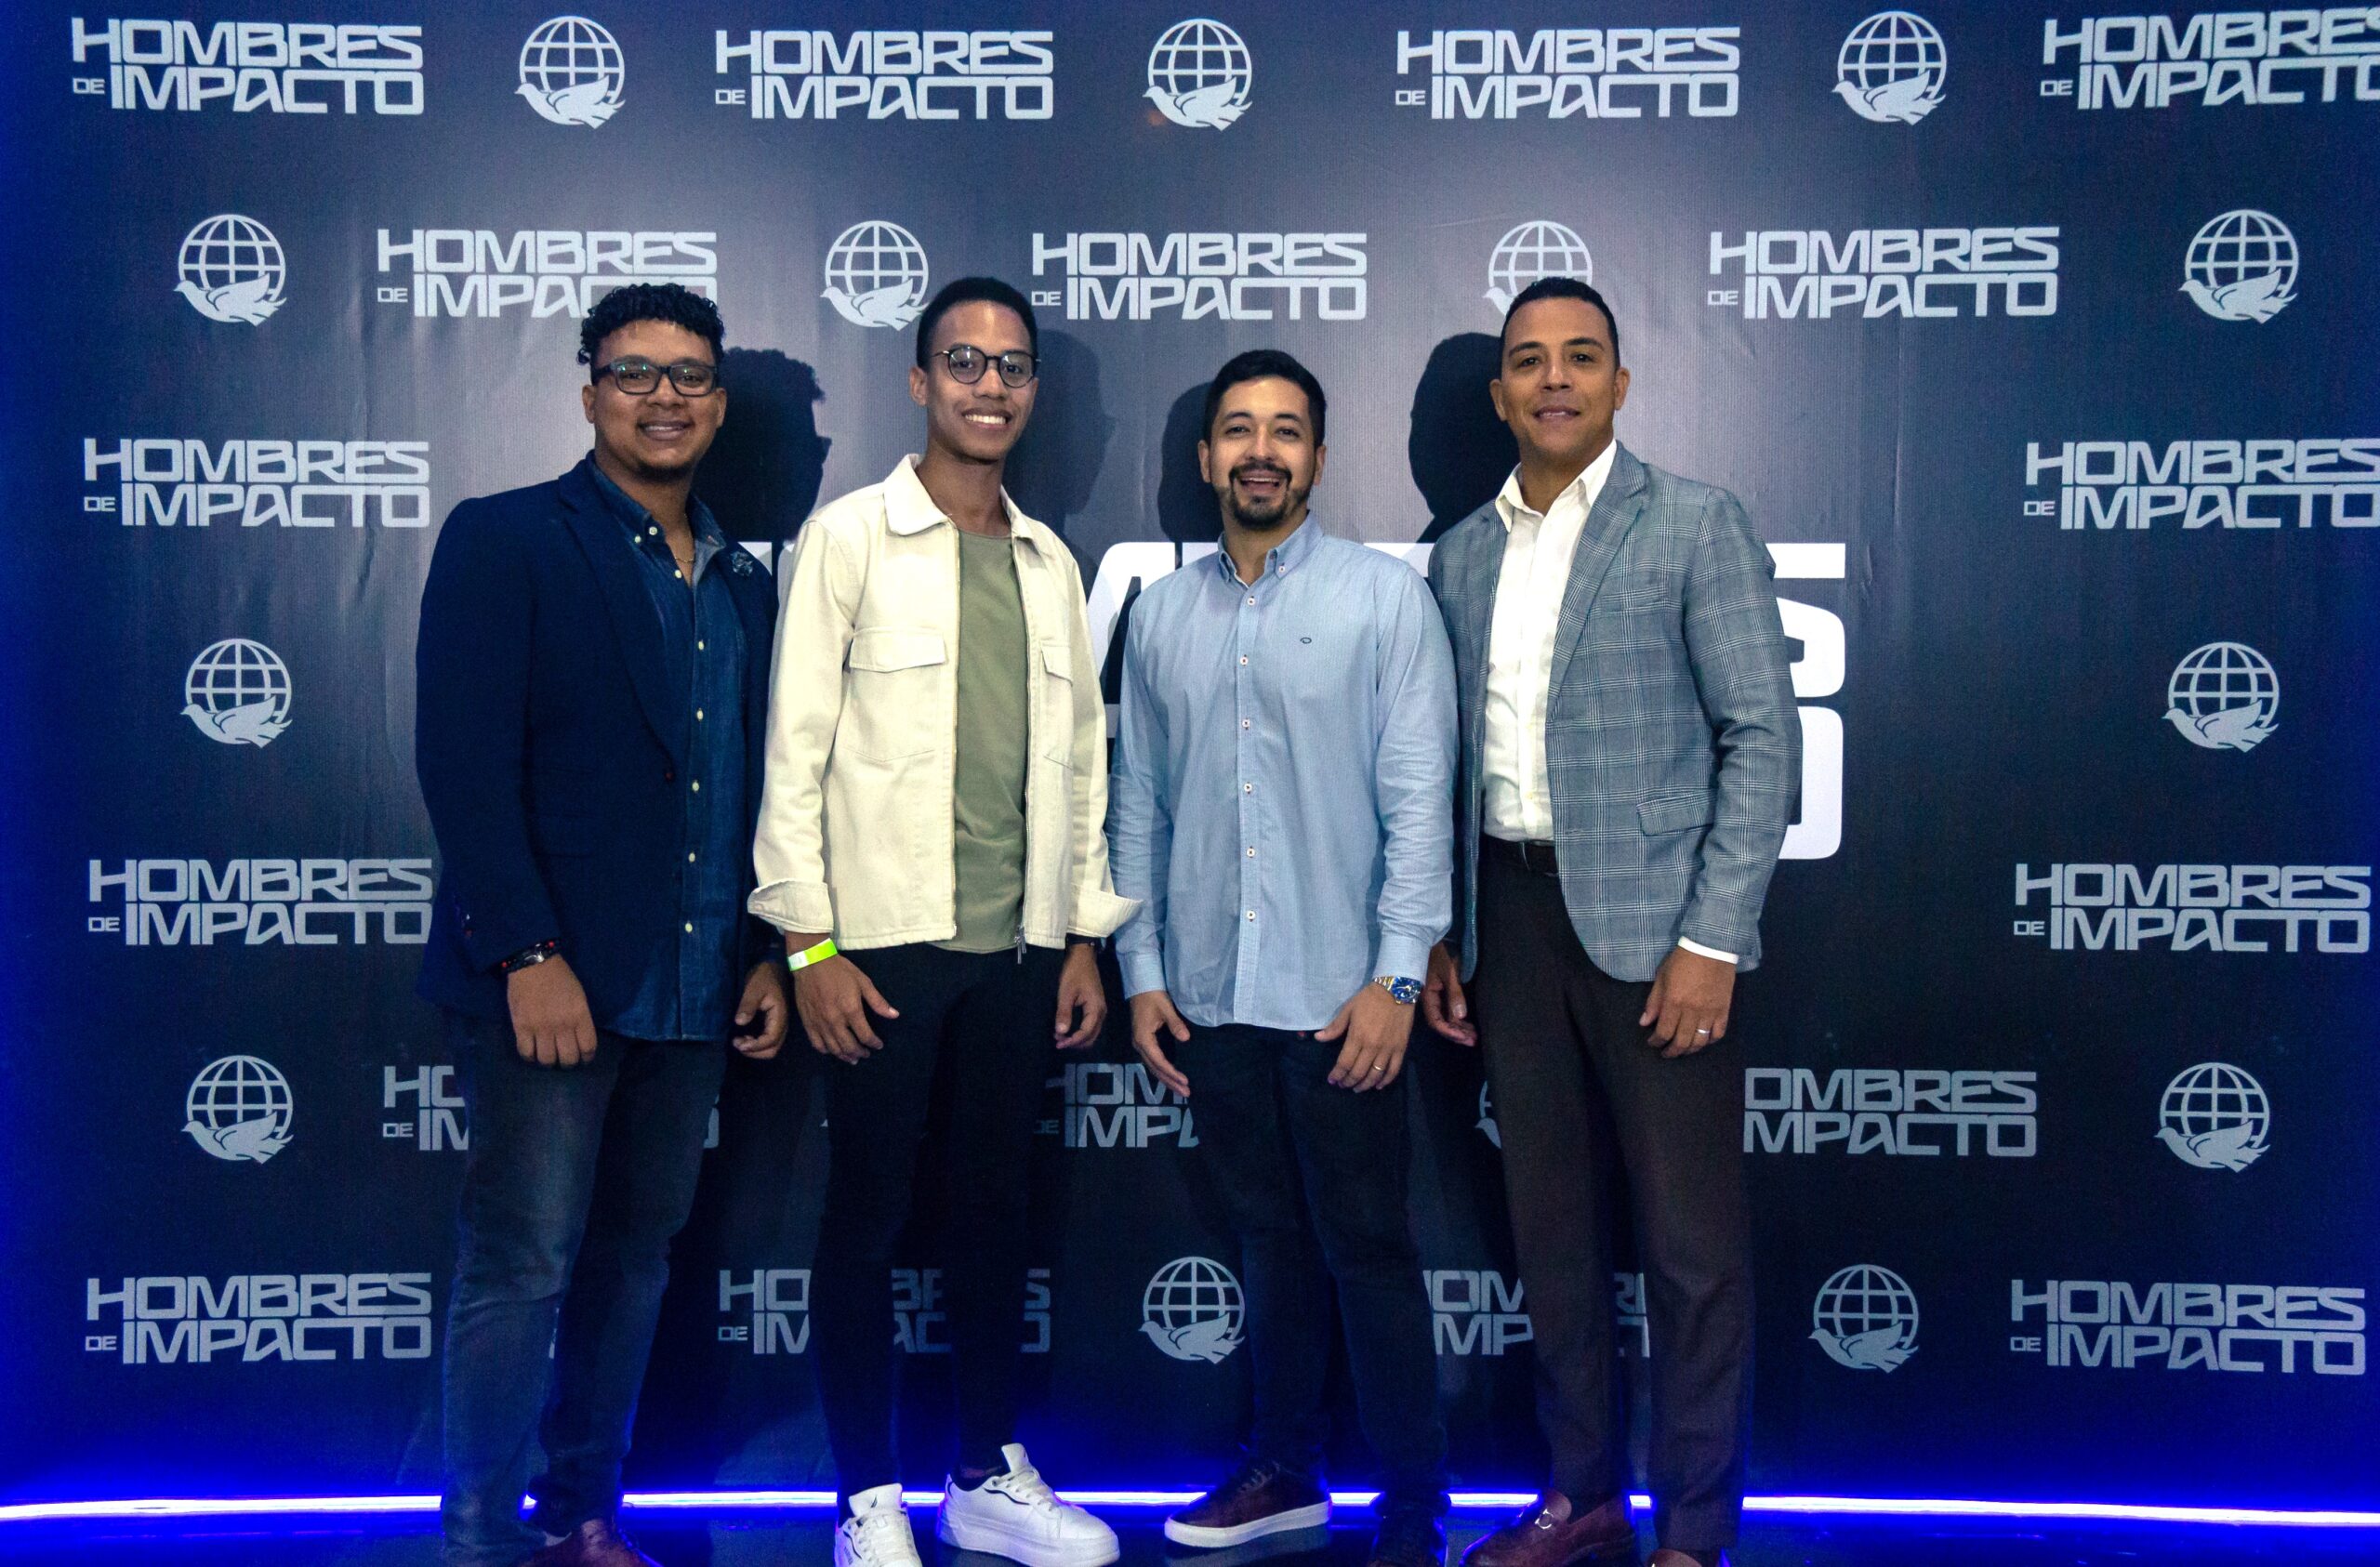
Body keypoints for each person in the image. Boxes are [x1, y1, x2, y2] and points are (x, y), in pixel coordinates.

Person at [749, 277, 1135, 1567]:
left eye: (1012, 366)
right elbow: (793, 755)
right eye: (964, 362)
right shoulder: (850, 540)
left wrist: (1081, 935)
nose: (989, 385)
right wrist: (808, 944)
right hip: (876, 952)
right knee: (864, 1220)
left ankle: (983, 1471)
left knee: (993, 1217)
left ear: (1033, 392)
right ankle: (868, 1496)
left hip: (1017, 955)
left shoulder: (1049, 562)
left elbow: (1079, 768)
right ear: (921, 382)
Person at [1422, 279, 1799, 1567]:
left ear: (1622, 383)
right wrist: (1450, 933)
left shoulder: (1694, 521)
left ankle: (1693, 1530)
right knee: (1552, 1239)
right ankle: (1580, 1498)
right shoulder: (1462, 553)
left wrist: (1712, 939)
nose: (1555, 379)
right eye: (1530, 360)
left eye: (1581, 356)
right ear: (1500, 394)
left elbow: (1762, 740)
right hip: (1510, 923)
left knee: (1692, 1252)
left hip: (1660, 937)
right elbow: (1454, 762)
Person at [415, 282, 790, 1567]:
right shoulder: (507, 537)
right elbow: (463, 764)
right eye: (636, 373)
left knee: (634, 1265)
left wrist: (766, 952)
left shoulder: (743, 583)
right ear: (588, 393)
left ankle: (583, 1517)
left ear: (720, 405)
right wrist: (528, 952)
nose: (664, 398)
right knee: (524, 1261)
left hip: (692, 984)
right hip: (550, 983)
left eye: (690, 377)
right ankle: (478, 1538)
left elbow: (750, 789)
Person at [1110, 349, 1458, 1567]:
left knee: (1369, 1249)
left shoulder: (1384, 600)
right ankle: (1286, 1469)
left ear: (1316, 454)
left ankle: (1413, 1505)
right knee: (1268, 1241)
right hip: (1211, 997)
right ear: (1207, 455)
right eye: (1239, 429)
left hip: (1342, 997)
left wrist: (1397, 975)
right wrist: (1142, 970)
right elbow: (1139, 806)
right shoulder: (1160, 615)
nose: (1262, 451)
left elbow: (1419, 799)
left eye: (1287, 430)